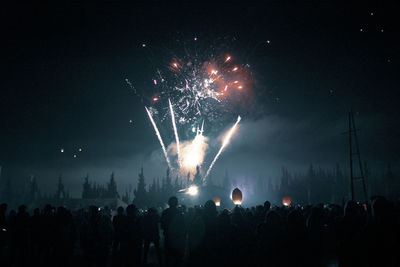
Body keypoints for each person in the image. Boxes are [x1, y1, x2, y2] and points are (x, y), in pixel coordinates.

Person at [161, 196, 185, 267]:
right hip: (177, 237)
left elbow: (162, 224)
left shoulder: (165, 212)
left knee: (168, 256)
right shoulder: (179, 213)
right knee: (177, 256)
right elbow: (182, 225)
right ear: (176, 203)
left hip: (168, 237)